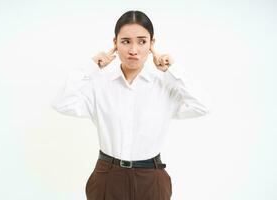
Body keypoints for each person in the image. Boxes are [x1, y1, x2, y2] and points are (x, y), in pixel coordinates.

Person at [51, 10, 209, 200]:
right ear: (115, 44)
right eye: (125, 41)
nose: (133, 50)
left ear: (152, 44)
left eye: (142, 41)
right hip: (107, 177)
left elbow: (202, 106)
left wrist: (172, 70)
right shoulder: (100, 85)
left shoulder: (165, 85)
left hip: (151, 178)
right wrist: (92, 67)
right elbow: (61, 103)